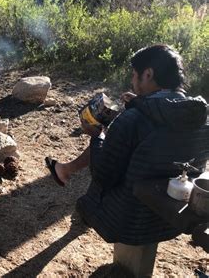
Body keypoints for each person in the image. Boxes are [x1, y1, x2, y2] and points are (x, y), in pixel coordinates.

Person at [46, 44, 209, 245]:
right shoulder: (202, 120)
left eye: (134, 75)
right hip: (169, 222)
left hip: (128, 223)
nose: (132, 81)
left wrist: (97, 136)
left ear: (148, 74)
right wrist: (140, 102)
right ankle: (66, 169)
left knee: (102, 164)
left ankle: (76, 188)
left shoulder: (133, 119)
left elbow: (103, 176)